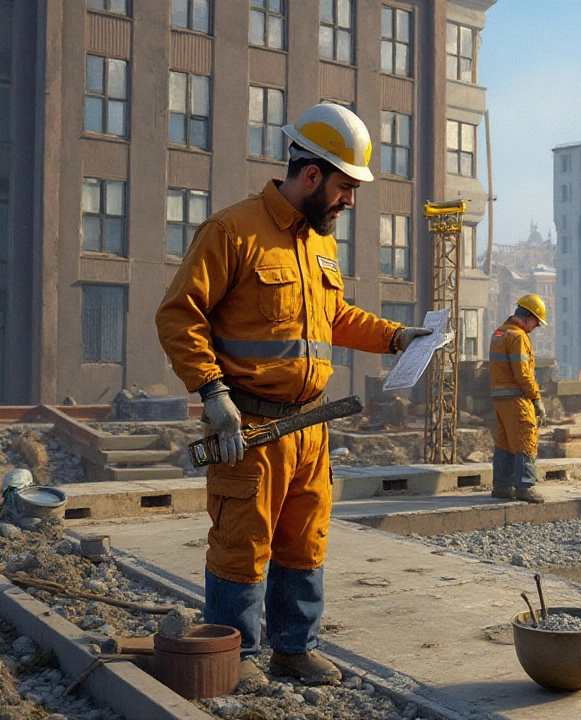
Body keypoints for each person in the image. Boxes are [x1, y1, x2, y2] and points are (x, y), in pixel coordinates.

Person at [155, 103, 433, 689]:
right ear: (312, 174)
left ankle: (294, 649)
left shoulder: (319, 246)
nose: (349, 202)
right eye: (344, 188)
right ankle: (240, 657)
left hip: (309, 429)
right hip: (248, 427)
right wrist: (210, 392)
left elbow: (333, 317)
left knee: (304, 541)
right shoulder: (233, 232)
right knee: (242, 543)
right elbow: (180, 315)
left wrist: (396, 336)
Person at [490, 294, 548, 504]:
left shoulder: (499, 333)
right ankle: (525, 485)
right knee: (525, 436)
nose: (536, 328)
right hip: (516, 398)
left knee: (505, 441)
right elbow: (523, 373)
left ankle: (502, 486)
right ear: (529, 318)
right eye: (536, 323)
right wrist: (536, 397)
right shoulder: (518, 337)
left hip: (499, 398)